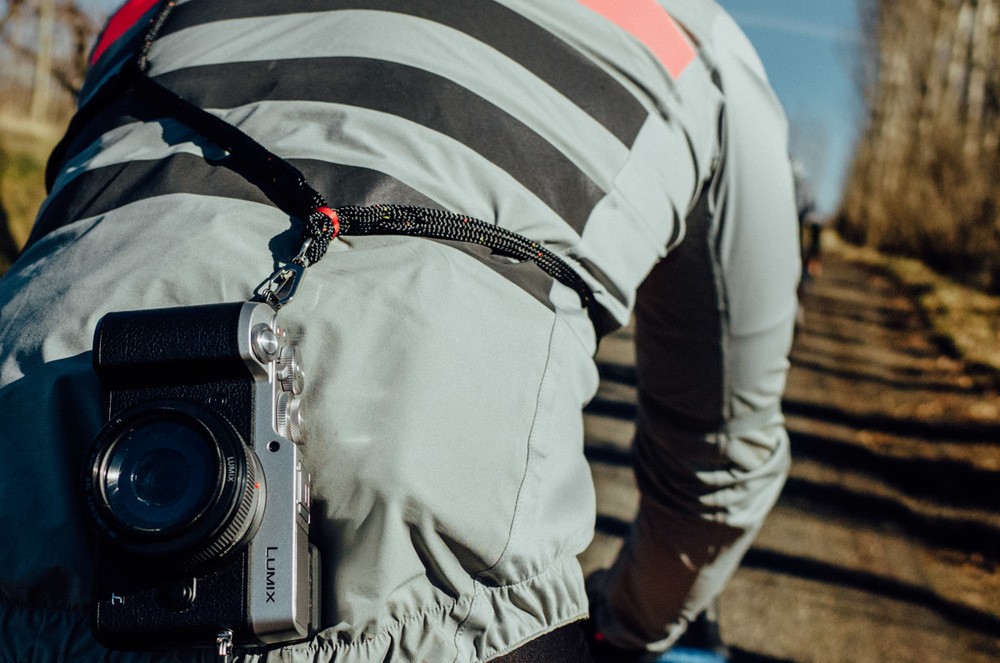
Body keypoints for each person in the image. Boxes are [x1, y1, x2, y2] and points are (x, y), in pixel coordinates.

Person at [0, 1, 799, 661]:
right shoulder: (694, 43)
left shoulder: (146, 11)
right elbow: (719, 465)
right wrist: (628, 628)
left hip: (20, 468)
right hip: (437, 598)